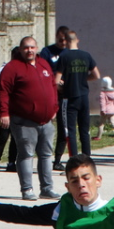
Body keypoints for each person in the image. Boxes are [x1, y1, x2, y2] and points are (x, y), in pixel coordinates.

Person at [0, 36, 59, 201]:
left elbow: (53, 86)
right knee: (26, 154)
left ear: (36, 48)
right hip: (24, 121)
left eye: (32, 47)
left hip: (46, 121)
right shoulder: (12, 67)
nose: (29, 50)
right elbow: (2, 91)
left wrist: (54, 107)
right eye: (26, 48)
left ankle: (47, 188)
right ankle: (27, 189)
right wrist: (4, 113)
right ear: (20, 49)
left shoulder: (43, 64)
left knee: (46, 155)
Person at [54, 30, 99, 158]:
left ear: (66, 41)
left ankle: (73, 159)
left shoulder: (64, 56)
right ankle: (87, 158)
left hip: (69, 97)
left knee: (70, 131)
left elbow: (56, 80)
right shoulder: (86, 55)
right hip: (84, 96)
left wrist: (61, 87)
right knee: (85, 130)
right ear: (77, 40)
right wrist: (83, 78)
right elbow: (96, 75)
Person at [40, 25, 70, 170]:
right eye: (60, 39)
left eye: (65, 40)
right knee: (45, 126)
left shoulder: (69, 53)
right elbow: (42, 70)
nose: (63, 43)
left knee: (64, 127)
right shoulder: (47, 52)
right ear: (56, 37)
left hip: (64, 95)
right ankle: (43, 156)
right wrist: (54, 82)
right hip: (49, 94)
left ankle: (57, 160)